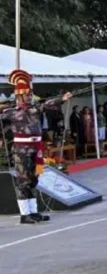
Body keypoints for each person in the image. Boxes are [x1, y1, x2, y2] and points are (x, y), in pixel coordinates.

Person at [1, 69, 72, 224]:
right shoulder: (11, 113)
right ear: (19, 95)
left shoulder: (34, 109)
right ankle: (24, 214)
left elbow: (47, 105)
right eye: (27, 94)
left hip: (35, 149)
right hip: (21, 151)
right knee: (23, 181)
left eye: (30, 94)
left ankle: (33, 212)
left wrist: (62, 98)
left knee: (33, 180)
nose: (29, 96)